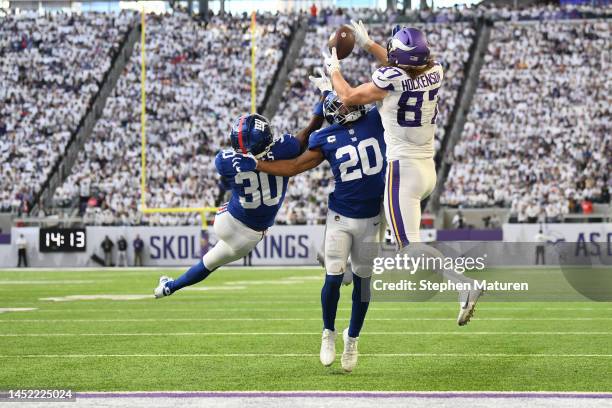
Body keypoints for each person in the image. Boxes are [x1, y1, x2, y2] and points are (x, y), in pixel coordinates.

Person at [324, 21, 482, 324]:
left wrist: (334, 69)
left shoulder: (391, 77)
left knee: (408, 247)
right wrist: (369, 45)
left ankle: (464, 284)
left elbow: (348, 96)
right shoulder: (435, 71)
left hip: (403, 172)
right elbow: (403, 67)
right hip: (426, 169)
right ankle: (347, 267)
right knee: (393, 229)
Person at [235, 87, 386, 372]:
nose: (345, 107)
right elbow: (293, 167)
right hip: (340, 216)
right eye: (339, 106)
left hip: (372, 217)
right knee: (333, 277)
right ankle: (328, 333)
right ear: (331, 113)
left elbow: (383, 91)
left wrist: (336, 70)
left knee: (364, 283)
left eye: (346, 102)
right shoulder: (325, 138)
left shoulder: (375, 119)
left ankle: (352, 339)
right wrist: (257, 164)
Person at [154, 108, 324, 299]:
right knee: (209, 264)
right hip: (251, 237)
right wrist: (322, 103)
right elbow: (310, 129)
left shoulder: (224, 160)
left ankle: (168, 287)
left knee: (206, 262)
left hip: (226, 221)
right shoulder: (285, 149)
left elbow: (226, 181)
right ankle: (170, 287)